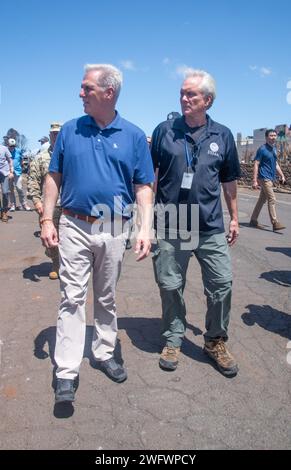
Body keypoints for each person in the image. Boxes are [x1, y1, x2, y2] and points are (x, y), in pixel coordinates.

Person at [41, 63, 154, 403]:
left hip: (114, 227)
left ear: (108, 93)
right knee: (72, 298)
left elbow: (144, 186)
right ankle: (66, 370)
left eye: (86, 88)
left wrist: (144, 228)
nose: (80, 93)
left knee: (106, 296)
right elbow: (53, 177)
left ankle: (105, 352)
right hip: (73, 224)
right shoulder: (72, 130)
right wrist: (47, 219)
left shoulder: (133, 135)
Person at [151, 69, 240, 377]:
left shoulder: (223, 135)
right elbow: (151, 177)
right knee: (170, 284)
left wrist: (235, 219)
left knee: (221, 284)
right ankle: (173, 337)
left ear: (208, 100)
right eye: (182, 93)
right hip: (171, 222)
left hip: (210, 224)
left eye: (191, 94)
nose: (184, 98)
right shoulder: (165, 130)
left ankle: (215, 340)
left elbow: (229, 181)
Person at [27, 123, 62, 279]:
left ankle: (67, 264)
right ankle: (56, 263)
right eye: (54, 134)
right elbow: (32, 180)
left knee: (70, 238)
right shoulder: (41, 158)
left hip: (70, 204)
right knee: (50, 239)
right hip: (50, 206)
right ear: (50, 136)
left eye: (59, 134)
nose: (56, 136)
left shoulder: (71, 156)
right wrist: (37, 202)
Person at [249, 129, 286, 231]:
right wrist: (254, 180)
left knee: (261, 200)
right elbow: (256, 164)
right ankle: (275, 222)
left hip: (270, 177)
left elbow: (276, 164)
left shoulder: (273, 149)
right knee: (272, 199)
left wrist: (282, 175)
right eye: (271, 135)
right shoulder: (262, 149)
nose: (273, 137)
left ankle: (253, 220)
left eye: (275, 135)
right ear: (266, 137)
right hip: (264, 177)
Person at [7, 138, 31, 211]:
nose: (12, 147)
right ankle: (13, 205)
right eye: (11, 146)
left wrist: (21, 166)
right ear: (8, 145)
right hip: (9, 173)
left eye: (13, 146)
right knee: (11, 190)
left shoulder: (18, 151)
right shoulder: (6, 151)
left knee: (19, 188)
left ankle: (24, 204)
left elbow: (22, 159)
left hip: (17, 172)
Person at [0, 144, 14, 222]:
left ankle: (5, 211)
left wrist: (11, 171)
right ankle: (0, 211)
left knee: (5, 192)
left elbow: (10, 160)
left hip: (4, 173)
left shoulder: (4, 148)